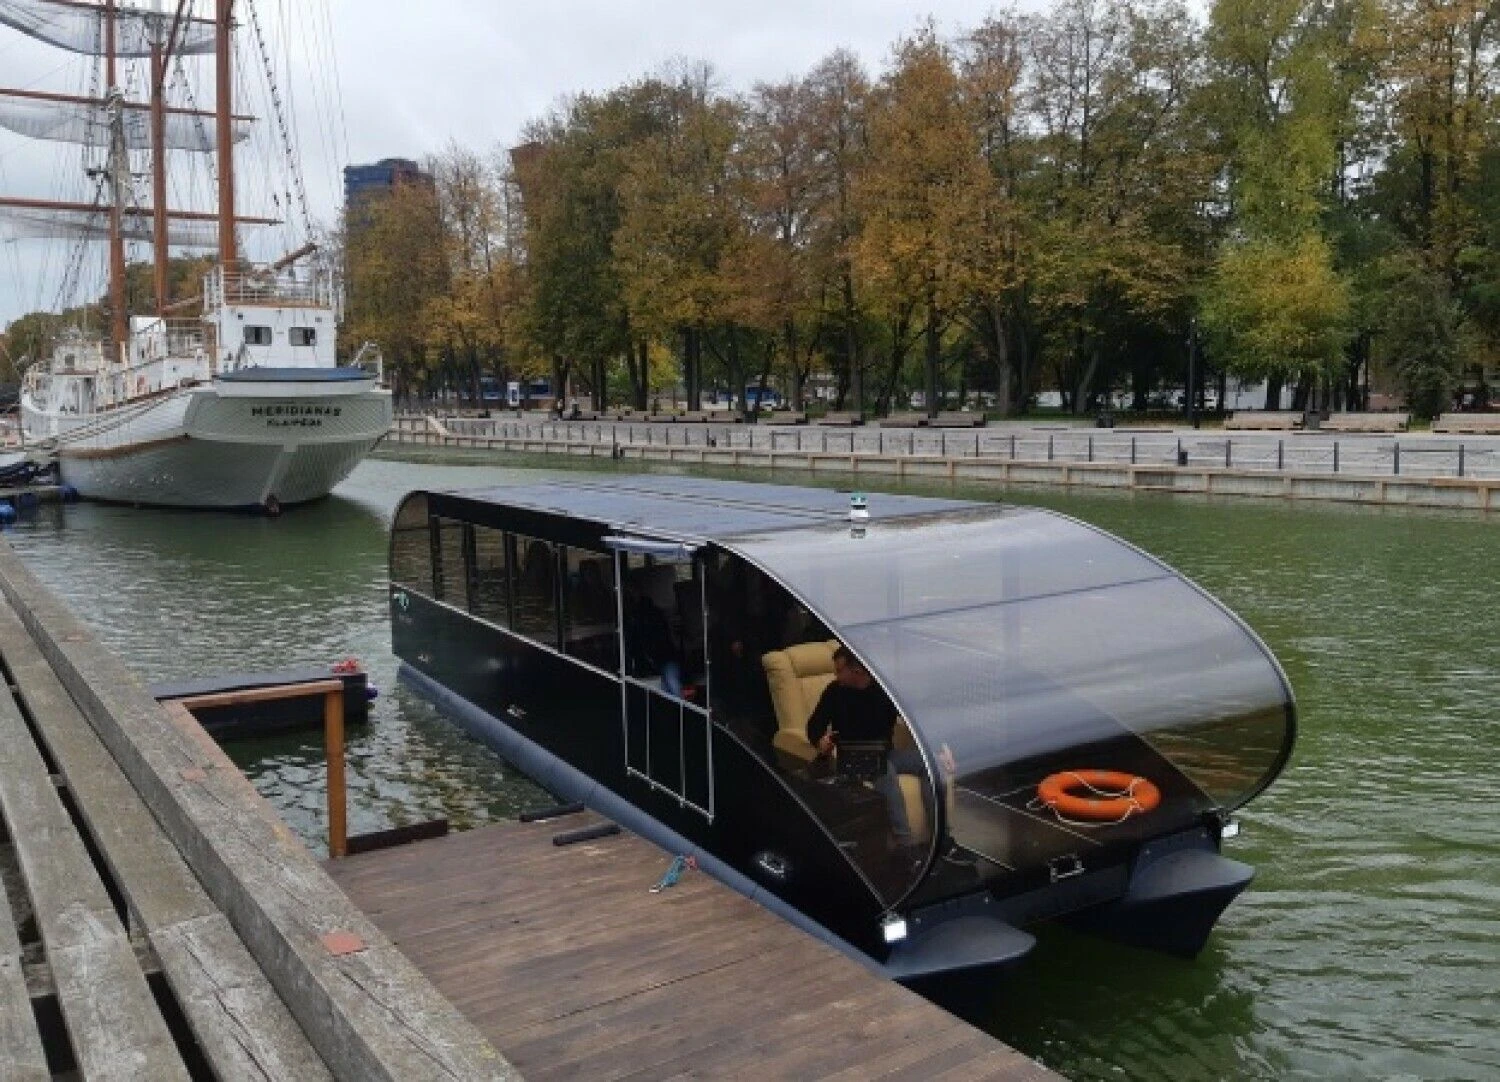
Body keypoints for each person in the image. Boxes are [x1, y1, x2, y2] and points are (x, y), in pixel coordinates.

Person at [806, 647, 924, 847]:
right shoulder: (834, 691)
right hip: (852, 757)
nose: (836, 676)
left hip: (886, 752)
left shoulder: (884, 689)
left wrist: (938, 746)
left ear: (857, 670)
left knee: (930, 763)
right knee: (885, 770)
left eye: (840, 671)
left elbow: (914, 718)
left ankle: (943, 839)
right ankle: (905, 843)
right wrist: (820, 740)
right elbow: (814, 725)